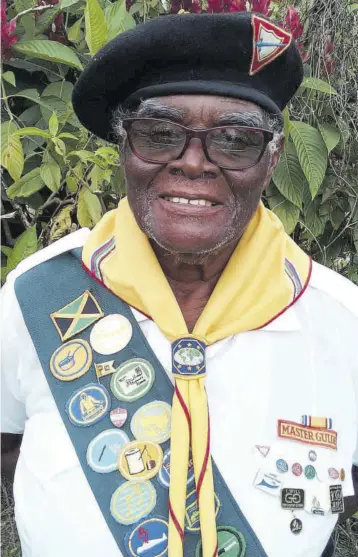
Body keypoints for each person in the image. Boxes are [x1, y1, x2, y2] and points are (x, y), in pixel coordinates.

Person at [1, 11, 357, 557]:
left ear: (273, 158)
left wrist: (288, 510)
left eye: (235, 140)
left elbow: (343, 495)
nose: (194, 163)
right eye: (160, 134)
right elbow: (9, 447)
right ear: (123, 146)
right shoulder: (35, 297)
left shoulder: (340, 319)